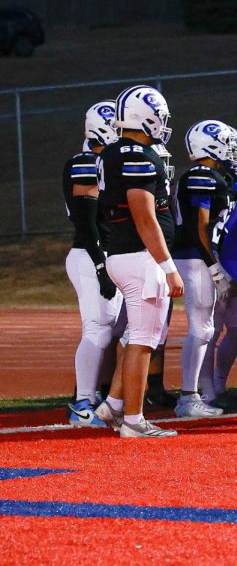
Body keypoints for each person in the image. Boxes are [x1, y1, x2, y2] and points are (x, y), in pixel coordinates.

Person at [94, 85, 184, 438]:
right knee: (144, 341)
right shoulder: (137, 156)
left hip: (123, 253)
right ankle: (133, 420)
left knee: (136, 336)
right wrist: (168, 266)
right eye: (159, 117)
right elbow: (144, 215)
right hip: (139, 257)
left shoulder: (114, 151)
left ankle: (114, 404)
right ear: (146, 117)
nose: (162, 123)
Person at [173, 120, 237, 418]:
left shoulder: (214, 175)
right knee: (201, 327)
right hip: (195, 257)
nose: (232, 149)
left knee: (207, 327)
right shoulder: (201, 176)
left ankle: (201, 393)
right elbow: (200, 227)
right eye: (226, 142)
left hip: (202, 256)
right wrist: (213, 266)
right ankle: (189, 397)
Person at [65, 101, 123, 427]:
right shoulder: (85, 162)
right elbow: (86, 223)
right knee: (97, 329)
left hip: (103, 253)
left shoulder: (103, 162)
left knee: (109, 329)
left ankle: (94, 396)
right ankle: (83, 402)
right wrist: (101, 266)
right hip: (90, 254)